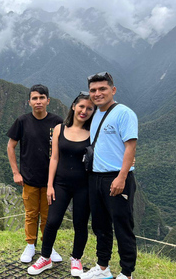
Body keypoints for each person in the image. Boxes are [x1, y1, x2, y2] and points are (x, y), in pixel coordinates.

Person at [28, 92, 95, 276]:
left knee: (80, 224)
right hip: (61, 184)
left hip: (84, 185)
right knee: (53, 221)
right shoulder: (59, 129)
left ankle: (76, 259)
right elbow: (54, 158)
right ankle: (46, 257)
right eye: (81, 106)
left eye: (89, 108)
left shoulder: (93, 132)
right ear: (73, 106)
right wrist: (50, 185)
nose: (84, 111)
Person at [80, 72, 138, 279]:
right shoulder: (95, 114)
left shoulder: (124, 113)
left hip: (117, 177)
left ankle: (126, 272)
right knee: (100, 225)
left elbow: (130, 147)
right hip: (95, 177)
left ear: (113, 90)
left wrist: (121, 177)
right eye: (93, 90)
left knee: (122, 226)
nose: (97, 93)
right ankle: (103, 267)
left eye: (102, 89)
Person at [7, 84, 64, 264]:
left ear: (48, 100)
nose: (38, 102)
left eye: (41, 98)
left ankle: (48, 246)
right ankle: (30, 245)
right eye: (34, 98)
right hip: (29, 179)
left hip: (51, 181)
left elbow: (66, 146)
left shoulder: (57, 122)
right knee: (31, 214)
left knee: (48, 216)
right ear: (29, 101)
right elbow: (11, 146)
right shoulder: (22, 121)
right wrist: (16, 173)